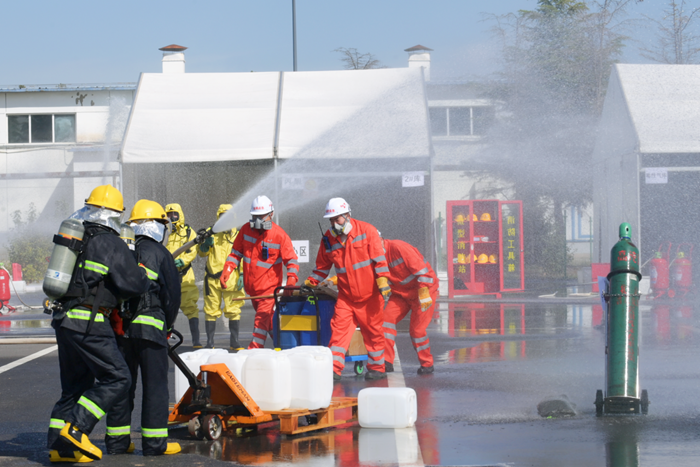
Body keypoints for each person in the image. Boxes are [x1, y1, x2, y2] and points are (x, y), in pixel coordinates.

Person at [47, 185, 150, 463]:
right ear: (114, 215)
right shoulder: (110, 242)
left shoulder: (78, 236)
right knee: (118, 377)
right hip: (89, 322)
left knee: (74, 386)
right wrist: (142, 273)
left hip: (64, 320)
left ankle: (59, 448)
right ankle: (77, 429)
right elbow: (132, 284)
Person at [104, 200, 182, 456]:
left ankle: (117, 442)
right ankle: (154, 444)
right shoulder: (161, 254)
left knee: (123, 385)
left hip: (122, 331)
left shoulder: (122, 250)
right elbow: (172, 296)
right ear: (156, 225)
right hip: (151, 330)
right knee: (156, 386)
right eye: (163, 224)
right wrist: (167, 325)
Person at [305, 198, 391, 381]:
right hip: (347, 297)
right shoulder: (328, 239)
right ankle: (334, 370)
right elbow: (322, 267)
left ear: (347, 215)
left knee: (374, 332)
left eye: (338, 219)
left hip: (371, 295)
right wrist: (311, 282)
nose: (334, 223)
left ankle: (377, 367)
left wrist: (383, 281)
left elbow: (379, 261)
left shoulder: (367, 231)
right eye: (331, 220)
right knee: (338, 333)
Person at [220, 196, 299, 349]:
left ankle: (255, 349)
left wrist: (291, 282)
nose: (257, 220)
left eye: (260, 216)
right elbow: (235, 254)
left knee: (261, 320)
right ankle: (283, 345)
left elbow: (292, 261)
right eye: (255, 216)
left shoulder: (279, 236)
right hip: (253, 291)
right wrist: (227, 270)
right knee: (268, 322)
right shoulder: (245, 230)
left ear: (271, 214)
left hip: (269, 291)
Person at [381, 236, 438, 375]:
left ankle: (427, 364)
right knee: (385, 322)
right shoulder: (375, 257)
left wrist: (424, 292)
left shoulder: (399, 247)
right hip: (401, 294)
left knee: (417, 331)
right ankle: (386, 362)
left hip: (423, 291)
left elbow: (423, 273)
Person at [198, 204, 245, 351]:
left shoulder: (238, 235)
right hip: (212, 279)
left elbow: (243, 255)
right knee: (210, 310)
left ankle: (234, 342)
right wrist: (205, 245)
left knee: (234, 309)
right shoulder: (211, 233)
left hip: (232, 277)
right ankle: (210, 342)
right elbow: (201, 253)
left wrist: (242, 274)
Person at [164, 204, 200, 348]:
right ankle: (165, 338)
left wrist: (183, 261)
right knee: (167, 307)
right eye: (169, 214)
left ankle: (196, 341)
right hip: (168, 276)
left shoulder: (189, 232)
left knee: (190, 306)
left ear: (180, 215)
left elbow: (193, 250)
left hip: (185, 276)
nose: (172, 217)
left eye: (175, 214)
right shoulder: (164, 231)